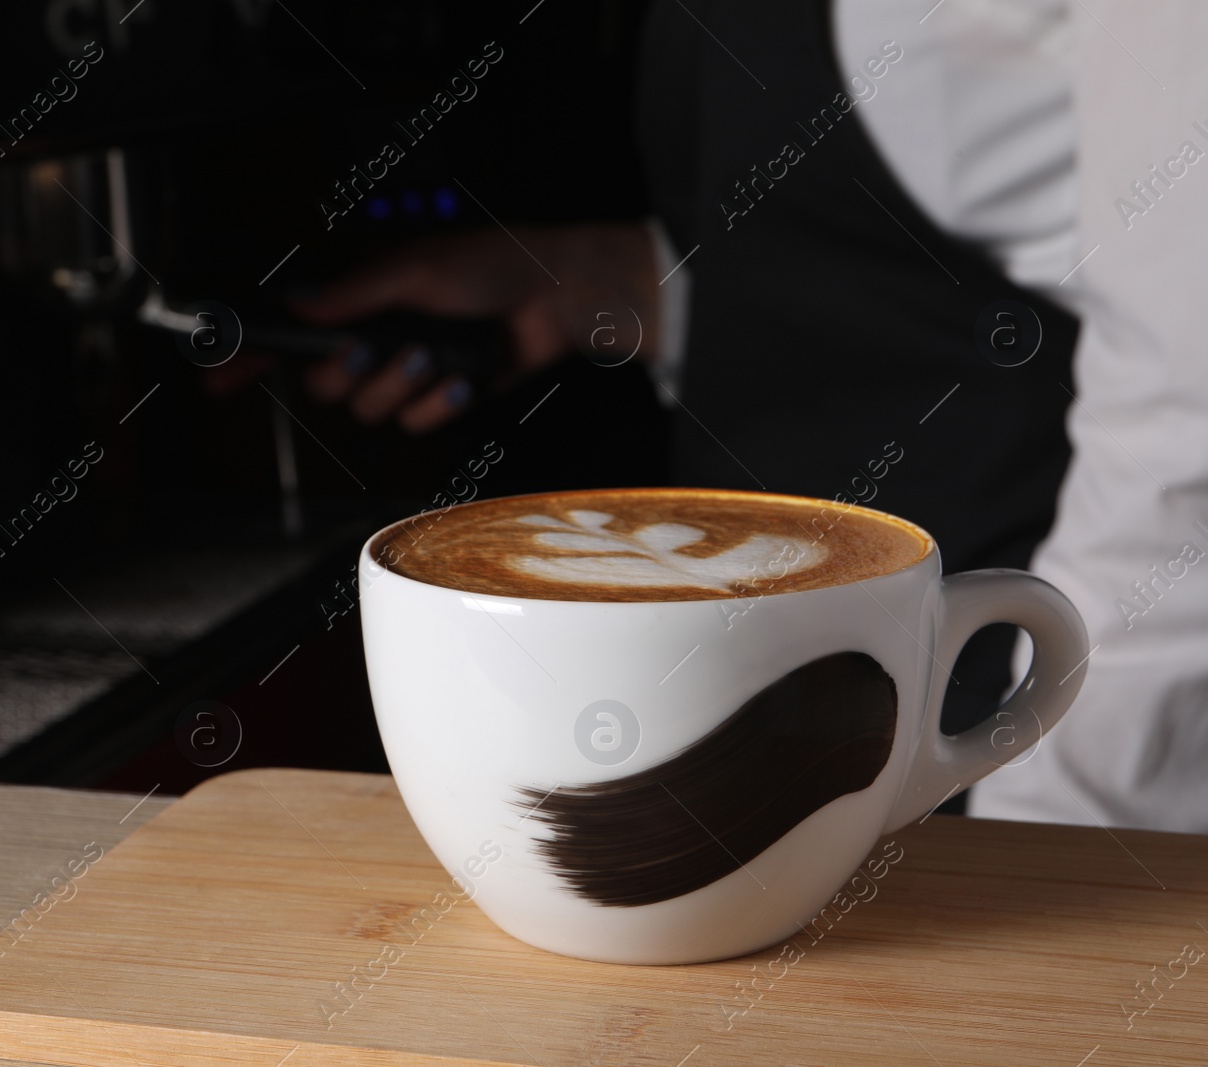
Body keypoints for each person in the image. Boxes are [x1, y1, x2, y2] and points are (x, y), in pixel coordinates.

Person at [291, 0, 1208, 834]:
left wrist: (1047, 856)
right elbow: (900, 257)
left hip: (998, 773)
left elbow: (1189, 412)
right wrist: (617, 286)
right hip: (772, 777)